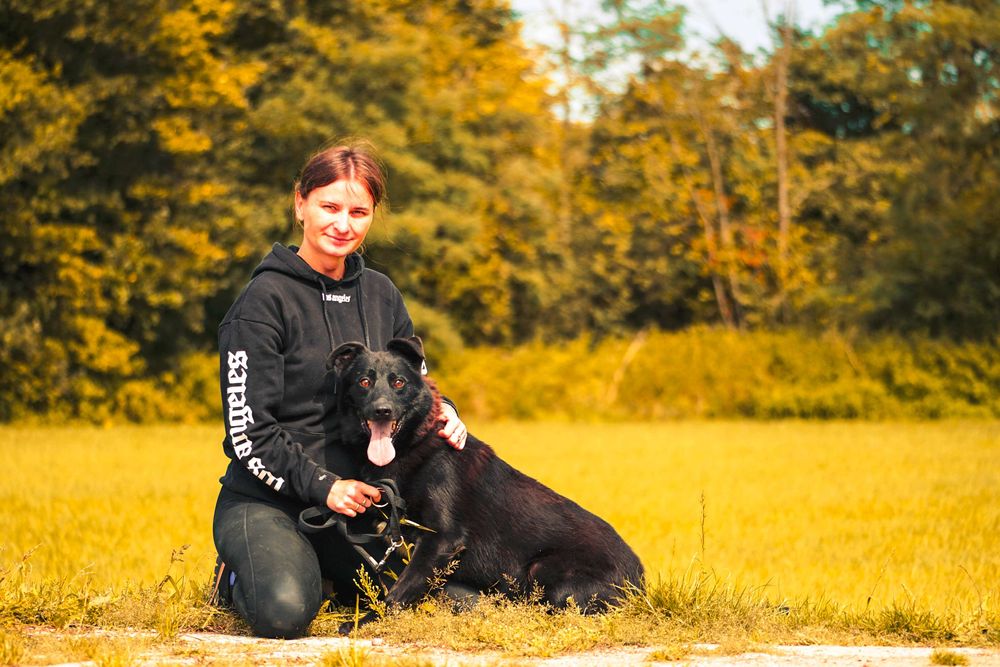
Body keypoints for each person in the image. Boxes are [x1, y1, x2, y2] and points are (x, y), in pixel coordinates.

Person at [211, 141, 468, 639]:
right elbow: (248, 433)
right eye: (329, 207)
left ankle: (324, 571)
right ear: (300, 203)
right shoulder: (262, 302)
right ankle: (235, 577)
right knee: (285, 612)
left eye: (358, 212)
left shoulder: (381, 294)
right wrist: (324, 486)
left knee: (446, 596)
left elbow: (413, 384)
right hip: (269, 500)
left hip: (360, 502)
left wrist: (448, 411)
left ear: (372, 215)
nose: (342, 225)